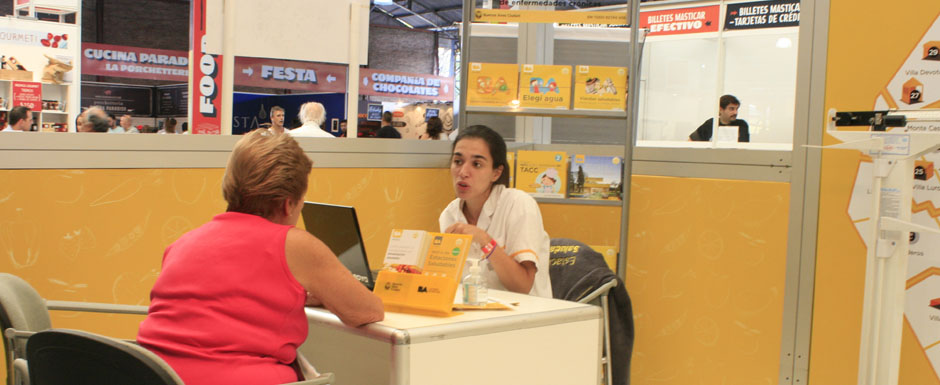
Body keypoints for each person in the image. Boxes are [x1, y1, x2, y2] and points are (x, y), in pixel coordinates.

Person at [137, 129, 384, 385]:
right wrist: (323, 293)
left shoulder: (184, 242)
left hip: (154, 375)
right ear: (288, 204)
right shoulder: (295, 244)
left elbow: (225, 302)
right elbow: (366, 312)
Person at [439, 125, 552, 298]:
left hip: (525, 316)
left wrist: (485, 240)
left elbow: (523, 285)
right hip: (473, 315)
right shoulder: (449, 214)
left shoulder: (518, 203)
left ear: (496, 173)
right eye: (458, 162)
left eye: (477, 164)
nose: (463, 172)